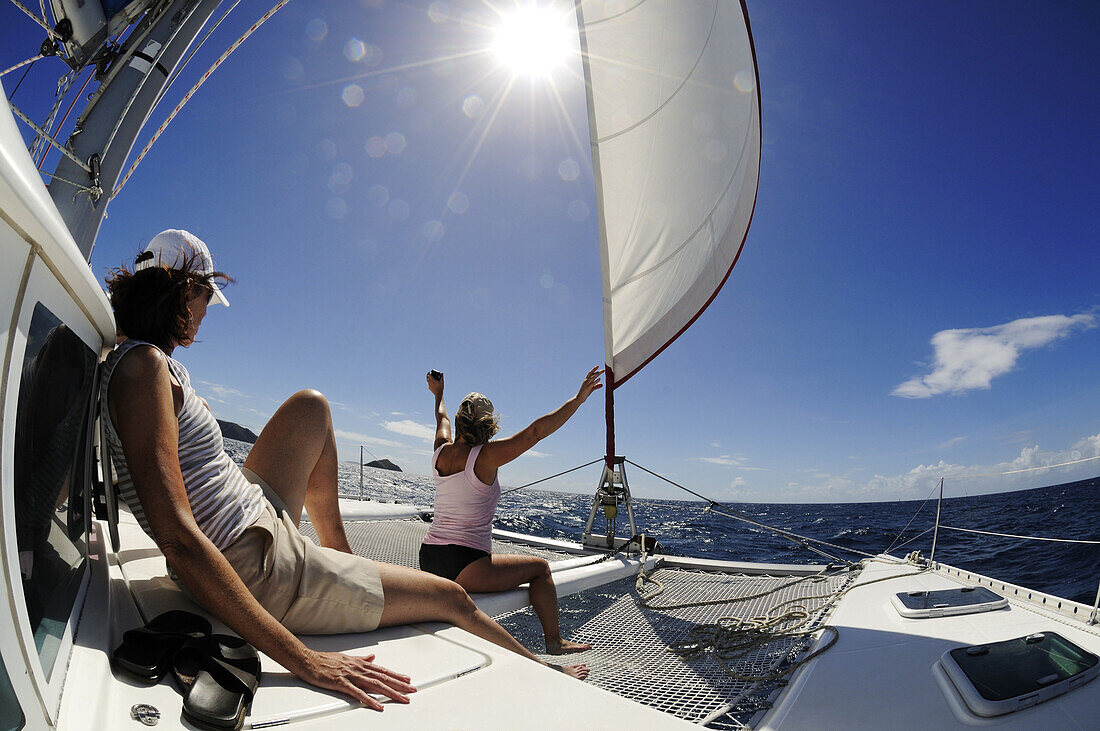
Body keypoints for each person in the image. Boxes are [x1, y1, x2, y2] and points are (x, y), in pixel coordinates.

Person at [102, 230, 588, 713]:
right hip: (257, 565)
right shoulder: (143, 369)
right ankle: (545, 666)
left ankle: (341, 559)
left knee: (311, 406)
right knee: (452, 597)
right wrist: (305, 661)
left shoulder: (143, 360)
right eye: (207, 297)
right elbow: (180, 540)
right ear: (184, 292)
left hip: (250, 518)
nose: (207, 312)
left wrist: (439, 399)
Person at [421, 367, 602, 657]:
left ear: (459, 421)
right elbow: (536, 432)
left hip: (429, 556)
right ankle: (554, 641)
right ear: (488, 426)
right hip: (465, 564)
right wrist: (578, 400)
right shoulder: (487, 456)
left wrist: (439, 392)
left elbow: (440, 417)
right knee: (540, 569)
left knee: (531, 567)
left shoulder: (440, 450)